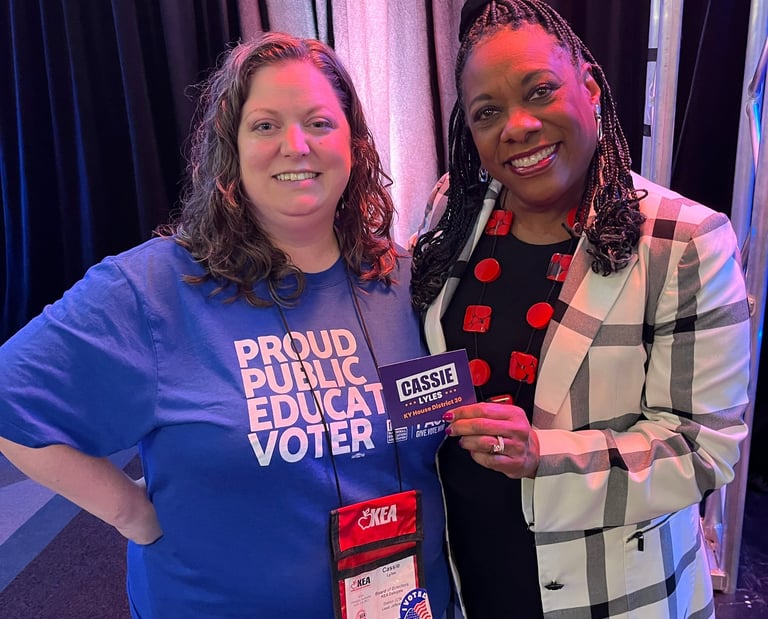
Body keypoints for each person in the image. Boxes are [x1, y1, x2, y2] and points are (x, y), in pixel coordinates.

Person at [0, 33, 451, 618]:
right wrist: (131, 514)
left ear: (353, 143)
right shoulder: (155, 288)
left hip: (405, 602)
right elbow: (12, 393)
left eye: (319, 122)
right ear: (230, 148)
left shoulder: (405, 280)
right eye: (265, 125)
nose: (296, 145)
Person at [410, 1, 751, 617]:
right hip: (467, 578)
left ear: (590, 86)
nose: (517, 126)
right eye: (487, 113)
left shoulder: (685, 240)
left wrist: (544, 456)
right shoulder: (452, 212)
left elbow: (705, 447)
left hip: (612, 594)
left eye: (540, 90)